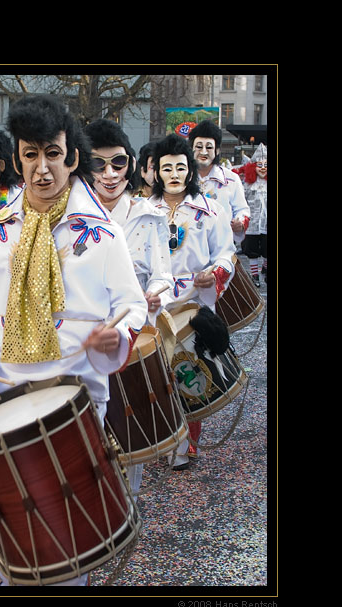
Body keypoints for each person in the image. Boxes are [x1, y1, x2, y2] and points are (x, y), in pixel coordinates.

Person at [0, 95, 147, 585]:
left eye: (53, 154)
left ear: (72, 156)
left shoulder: (103, 234)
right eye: (30, 155)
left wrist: (116, 338)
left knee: (68, 543)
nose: (42, 169)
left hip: (77, 395)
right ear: (17, 159)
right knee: (20, 534)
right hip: (8, 391)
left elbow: (133, 304)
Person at [83, 119, 175, 498]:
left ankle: (128, 496)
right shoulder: (72, 217)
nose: (109, 174)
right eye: (98, 164)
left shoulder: (150, 216)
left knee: (129, 419)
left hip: (133, 332)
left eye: (118, 164)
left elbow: (163, 274)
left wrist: (154, 293)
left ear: (131, 164)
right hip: (87, 333)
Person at [148, 133, 236, 470]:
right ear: (156, 171)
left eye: (180, 167)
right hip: (158, 306)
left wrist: (213, 272)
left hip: (195, 305)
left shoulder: (209, 209)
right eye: (166, 167)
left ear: (190, 170)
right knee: (161, 375)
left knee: (192, 370)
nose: (173, 174)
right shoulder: (144, 211)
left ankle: (187, 445)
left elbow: (226, 253)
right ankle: (168, 437)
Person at [188, 119, 250, 246]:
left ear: (217, 150)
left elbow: (242, 209)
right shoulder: (183, 178)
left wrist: (240, 222)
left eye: (209, 147)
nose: (204, 152)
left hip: (222, 246)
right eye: (199, 147)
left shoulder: (231, 179)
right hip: (189, 248)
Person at [236, 143, 267, 285]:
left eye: (266, 164)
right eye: (259, 164)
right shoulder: (247, 185)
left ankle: (265, 269)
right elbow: (241, 202)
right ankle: (255, 276)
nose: (263, 167)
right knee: (252, 250)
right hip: (252, 223)